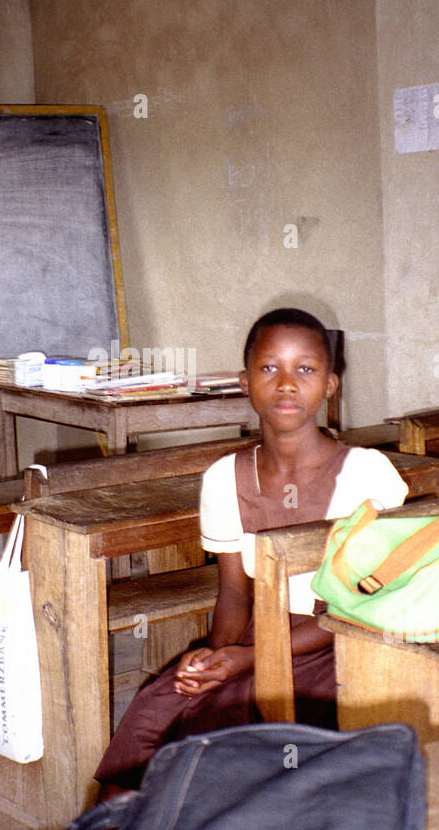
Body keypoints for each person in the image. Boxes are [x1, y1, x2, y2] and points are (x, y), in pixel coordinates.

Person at [94, 307, 408, 792]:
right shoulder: (224, 478)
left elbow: (360, 608)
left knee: (226, 740)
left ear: (330, 385)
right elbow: (236, 595)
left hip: (343, 644)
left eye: (305, 369)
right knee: (155, 711)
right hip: (258, 634)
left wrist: (248, 659)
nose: (286, 384)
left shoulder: (367, 474)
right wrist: (216, 657)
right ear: (244, 383)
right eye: (269, 368)